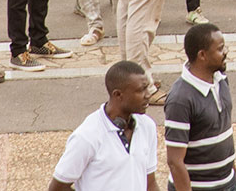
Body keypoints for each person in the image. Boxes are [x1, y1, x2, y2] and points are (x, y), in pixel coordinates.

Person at [47, 62, 160, 191]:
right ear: (118, 94)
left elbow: (150, 183)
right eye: (141, 90)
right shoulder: (87, 136)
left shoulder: (147, 126)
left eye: (147, 88)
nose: (148, 95)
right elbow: (57, 188)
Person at [163, 23, 236, 191]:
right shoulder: (180, 99)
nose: (225, 52)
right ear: (202, 55)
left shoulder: (221, 79)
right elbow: (174, 161)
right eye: (220, 49)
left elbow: (225, 138)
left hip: (228, 183)